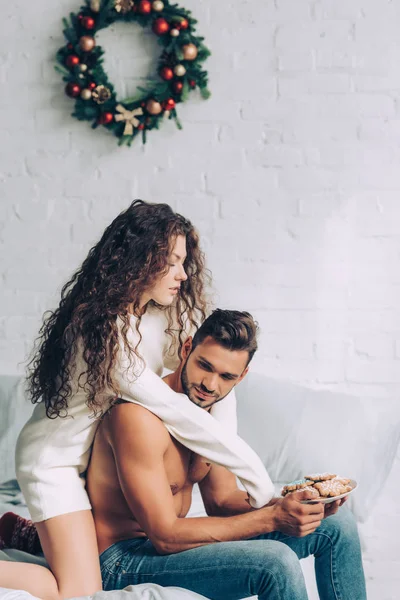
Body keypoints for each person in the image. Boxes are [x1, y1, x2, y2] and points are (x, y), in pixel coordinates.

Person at [0, 201, 274, 600]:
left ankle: (30, 535)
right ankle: (27, 541)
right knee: (77, 592)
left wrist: (227, 454)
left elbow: (205, 377)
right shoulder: (100, 331)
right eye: (174, 262)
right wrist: (261, 482)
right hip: (54, 464)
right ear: (142, 259)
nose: (183, 275)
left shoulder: (154, 316)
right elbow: (174, 408)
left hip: (92, 459)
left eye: (185, 263)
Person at [89, 309, 366, 600]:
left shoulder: (210, 413)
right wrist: (272, 518)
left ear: (242, 376)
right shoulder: (138, 419)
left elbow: (221, 501)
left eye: (226, 376)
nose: (210, 385)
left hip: (175, 547)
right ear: (187, 350)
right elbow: (165, 536)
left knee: (337, 525)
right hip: (123, 559)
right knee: (275, 562)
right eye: (204, 366)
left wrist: (292, 507)